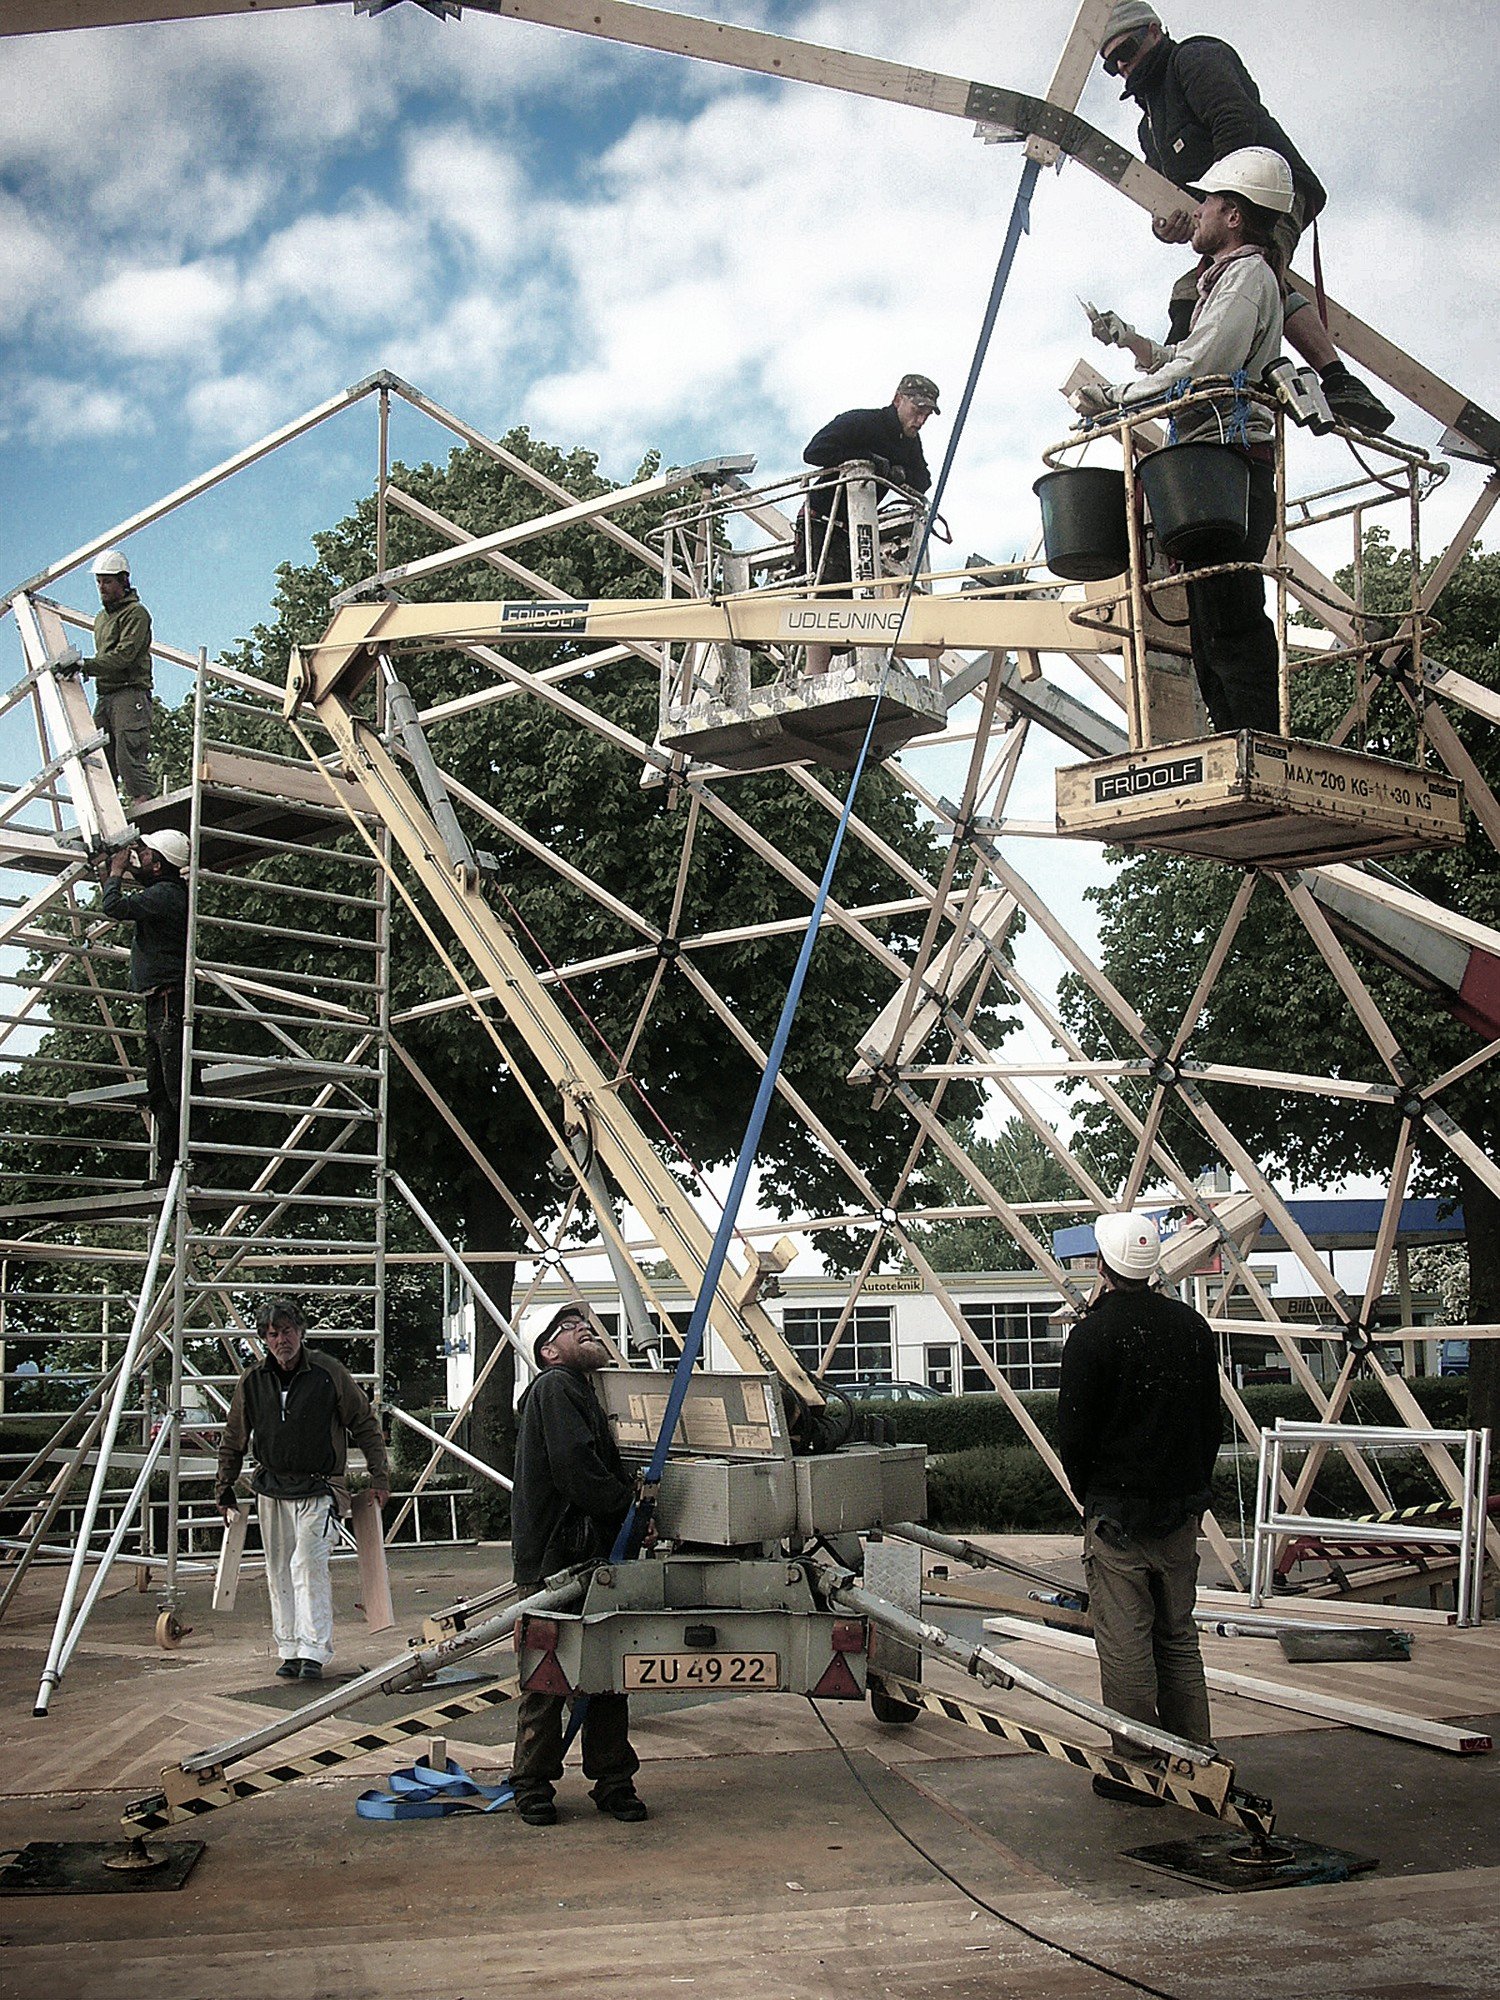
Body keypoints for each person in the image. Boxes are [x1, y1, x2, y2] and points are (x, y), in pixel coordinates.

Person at [1097, 2, 1393, 434]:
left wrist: (1221, 200)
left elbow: (1234, 121)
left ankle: (1339, 381)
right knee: (1193, 289)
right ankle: (1185, 380)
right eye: (1112, 64)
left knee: (1258, 271)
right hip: (1224, 208)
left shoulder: (1194, 59)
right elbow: (1166, 194)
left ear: (1155, 31)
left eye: (1126, 49)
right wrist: (1166, 225)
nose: (1122, 65)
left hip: (1270, 191)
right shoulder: (1150, 127)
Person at [1083, 147, 1289, 733]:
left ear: (1234, 216)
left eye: (1208, 203)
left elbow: (1201, 365)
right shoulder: (1227, 281)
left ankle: (1254, 739)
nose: (1197, 212)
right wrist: (1130, 340)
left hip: (1229, 462)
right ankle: (1234, 735)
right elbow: (1188, 354)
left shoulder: (1246, 278)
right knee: (1209, 622)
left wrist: (1118, 397)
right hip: (1214, 466)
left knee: (1229, 616)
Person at [1056, 1210, 1221, 1806]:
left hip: (1117, 1516)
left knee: (1126, 1641)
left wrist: (1090, 1496)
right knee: (1177, 1635)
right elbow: (1210, 1424)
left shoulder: (1092, 1337)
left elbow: (1073, 1435)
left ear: (1102, 1264)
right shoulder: (1193, 1329)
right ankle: (1197, 1755)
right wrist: (1193, 1493)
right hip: (1179, 1513)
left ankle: (1139, 1765)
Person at [508, 1304, 647, 1827]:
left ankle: (611, 1781)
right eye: (570, 1328)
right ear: (548, 1351)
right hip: (559, 1561)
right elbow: (576, 1470)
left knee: (604, 1674)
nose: (586, 1328)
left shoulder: (581, 1391)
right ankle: (535, 1785)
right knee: (549, 1679)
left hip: (582, 1557)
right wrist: (630, 1507)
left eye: (585, 1324)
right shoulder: (556, 1388)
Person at [215, 1299, 391, 1683]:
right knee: (278, 1569)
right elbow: (234, 1436)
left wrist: (379, 1478)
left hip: (319, 1485)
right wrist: (224, 1487)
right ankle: (290, 1648)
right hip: (272, 1487)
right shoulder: (253, 1381)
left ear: (301, 1331)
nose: (282, 1340)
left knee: (308, 1564)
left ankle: (313, 1650)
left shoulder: (328, 1372)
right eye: (273, 1334)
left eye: (287, 1331)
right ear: (265, 1339)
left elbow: (364, 1422)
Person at [800, 373, 940, 673]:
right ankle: (813, 677)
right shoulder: (862, 422)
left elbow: (923, 480)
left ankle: (833, 672)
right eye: (917, 410)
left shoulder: (909, 443)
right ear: (898, 400)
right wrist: (866, 459)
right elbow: (813, 452)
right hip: (821, 521)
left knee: (851, 603)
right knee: (822, 598)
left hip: (852, 530)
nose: (920, 420)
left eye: (927, 414)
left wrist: (898, 472)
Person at [99, 828, 190, 1183]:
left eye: (146, 853)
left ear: (159, 864)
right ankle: (170, 1168)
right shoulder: (165, 891)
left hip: (168, 1001)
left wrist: (116, 871)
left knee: (175, 1088)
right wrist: (112, 870)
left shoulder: (165, 895)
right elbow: (130, 894)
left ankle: (191, 1162)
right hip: (159, 1001)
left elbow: (114, 907)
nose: (140, 856)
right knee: (161, 1093)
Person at [77, 549, 155, 811]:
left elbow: (124, 656)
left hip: (129, 692)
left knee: (127, 751)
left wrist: (86, 665)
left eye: (107, 581)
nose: (102, 587)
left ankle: (142, 802)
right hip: (106, 694)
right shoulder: (101, 619)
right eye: (99, 581)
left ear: (123, 581)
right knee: (99, 755)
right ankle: (105, 811)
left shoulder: (136, 614)